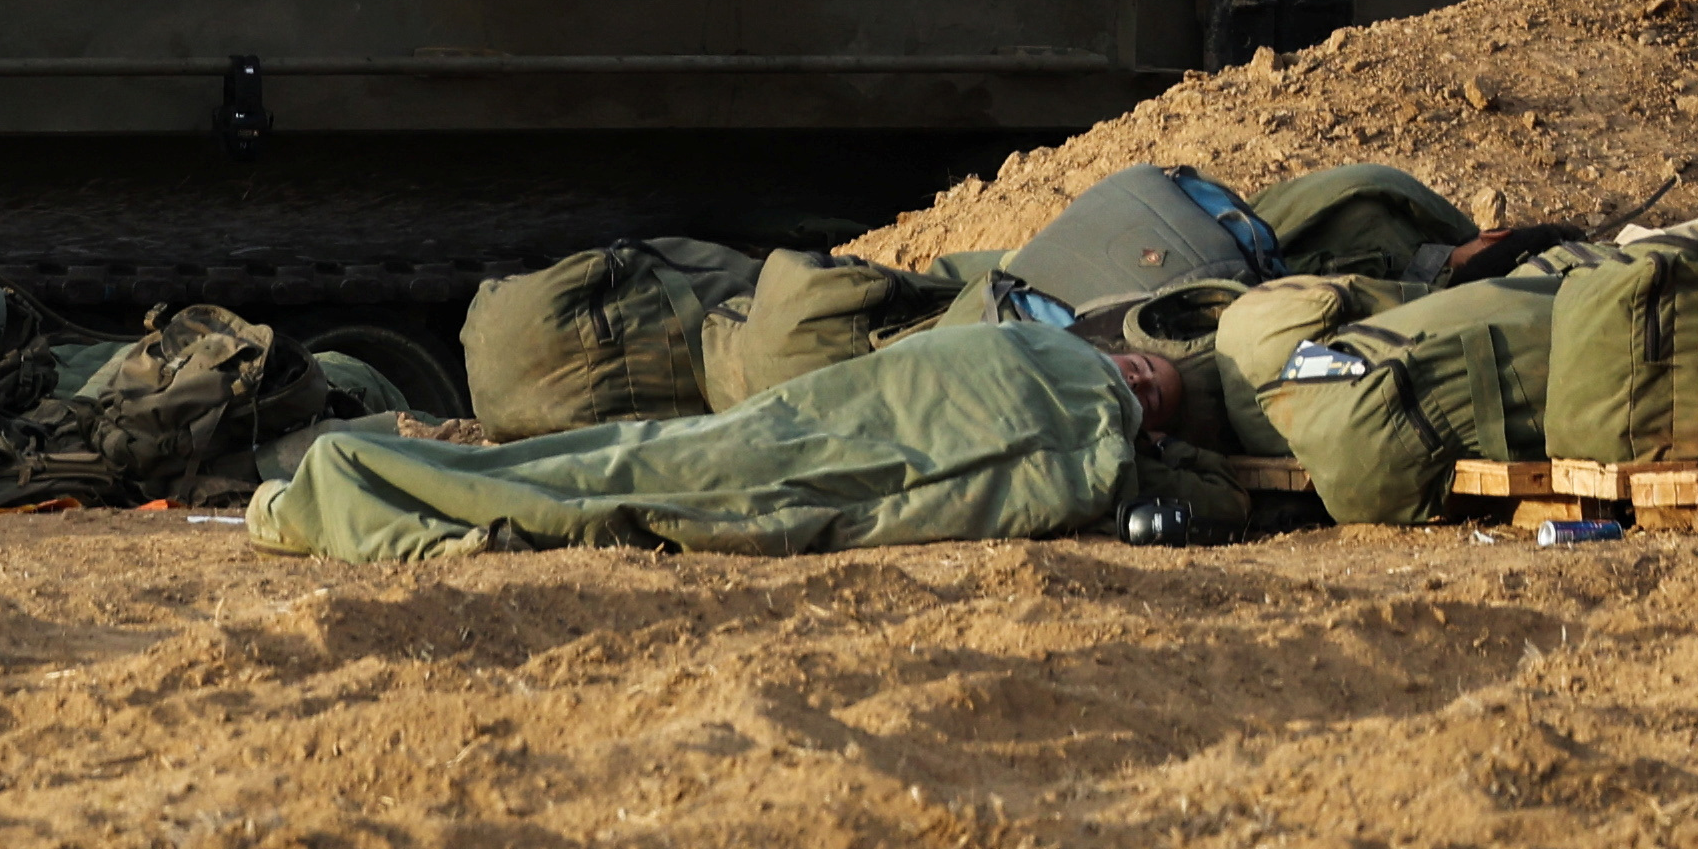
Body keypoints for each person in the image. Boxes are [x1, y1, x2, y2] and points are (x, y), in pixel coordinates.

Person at [242, 320, 1233, 562]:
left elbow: (979, 489)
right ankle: (368, 474)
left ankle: (368, 476)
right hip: (814, 421)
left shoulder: (1097, 425)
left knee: (643, 475)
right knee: (633, 453)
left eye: (1152, 397)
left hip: (825, 451)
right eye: (1142, 370)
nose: (1138, 386)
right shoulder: (1047, 347)